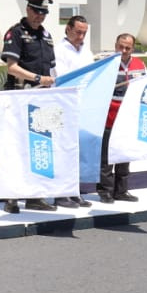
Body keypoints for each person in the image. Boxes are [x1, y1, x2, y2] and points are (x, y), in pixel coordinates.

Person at [0, 0, 59, 214]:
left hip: (42, 99)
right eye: (36, 12)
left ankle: (35, 195)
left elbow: (51, 68)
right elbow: (11, 67)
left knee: (38, 147)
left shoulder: (46, 35)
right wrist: (37, 79)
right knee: (16, 147)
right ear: (27, 9)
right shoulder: (16, 32)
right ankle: (11, 197)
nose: (39, 16)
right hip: (20, 95)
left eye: (43, 13)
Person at [97, 32, 147, 203]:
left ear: (133, 48)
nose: (124, 50)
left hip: (129, 118)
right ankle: (105, 191)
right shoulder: (106, 65)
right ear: (115, 45)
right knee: (106, 156)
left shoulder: (140, 65)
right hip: (109, 117)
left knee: (125, 154)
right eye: (121, 46)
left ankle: (121, 190)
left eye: (128, 47)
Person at [53, 14, 94, 209]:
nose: (81, 36)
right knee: (64, 150)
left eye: (84, 33)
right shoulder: (59, 51)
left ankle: (74, 191)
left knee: (78, 151)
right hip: (65, 106)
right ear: (67, 29)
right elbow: (63, 78)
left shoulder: (87, 51)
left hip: (84, 106)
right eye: (78, 32)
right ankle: (61, 194)